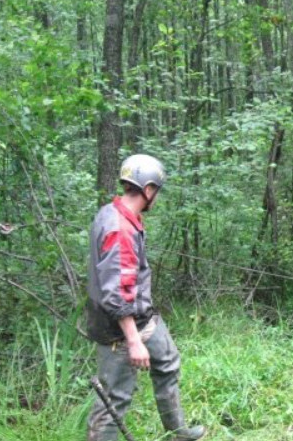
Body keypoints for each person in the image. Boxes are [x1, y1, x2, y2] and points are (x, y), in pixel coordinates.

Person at [86, 154, 205, 441]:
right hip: (119, 326)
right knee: (113, 400)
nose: (156, 198)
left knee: (167, 361)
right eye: (157, 192)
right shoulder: (120, 229)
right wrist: (133, 340)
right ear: (149, 189)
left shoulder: (116, 213)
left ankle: (178, 432)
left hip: (142, 316)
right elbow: (117, 291)